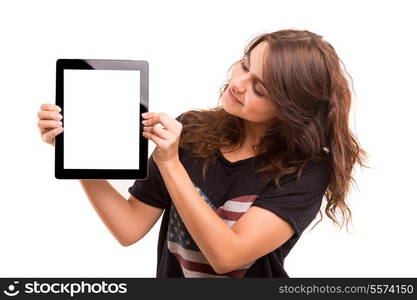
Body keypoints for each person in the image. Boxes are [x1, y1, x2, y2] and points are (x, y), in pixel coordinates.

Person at [37, 29, 367, 278]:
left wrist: (171, 164)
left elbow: (228, 256)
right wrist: (74, 153)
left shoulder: (307, 169)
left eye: (260, 88)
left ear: (290, 109)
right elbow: (129, 227)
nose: (239, 83)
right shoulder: (192, 130)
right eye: (245, 66)